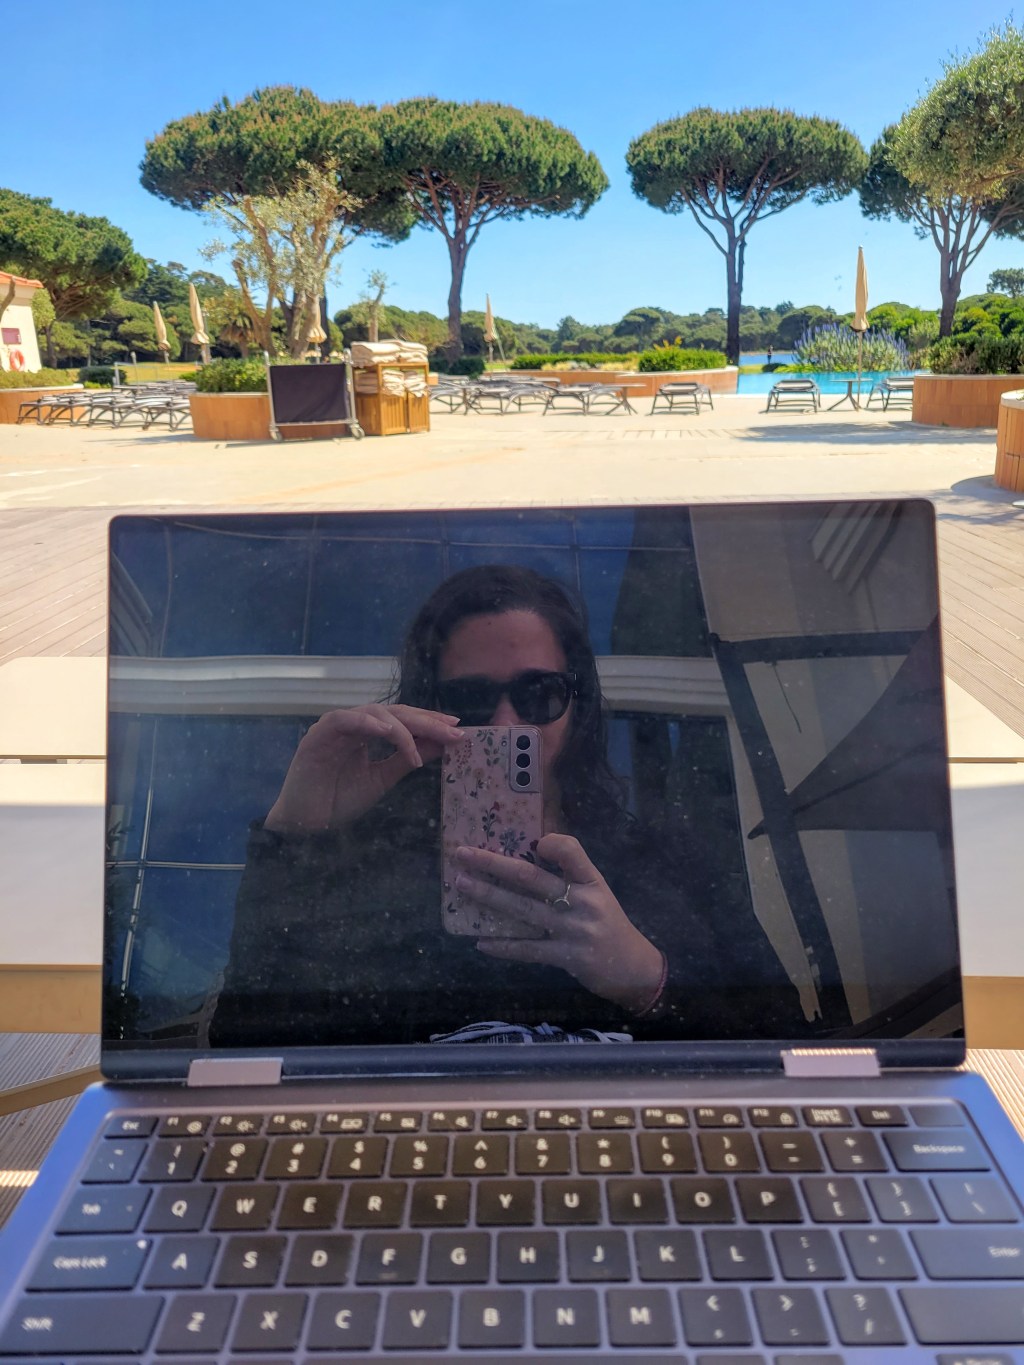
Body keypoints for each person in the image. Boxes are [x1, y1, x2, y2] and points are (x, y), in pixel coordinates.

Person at [210, 565, 803, 1046]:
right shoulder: (364, 868)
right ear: (431, 708)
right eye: (469, 699)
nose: (505, 724)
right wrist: (295, 837)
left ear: (579, 704)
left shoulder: (671, 860)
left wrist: (649, 980)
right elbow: (246, 1046)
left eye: (538, 693)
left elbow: (792, 1048)